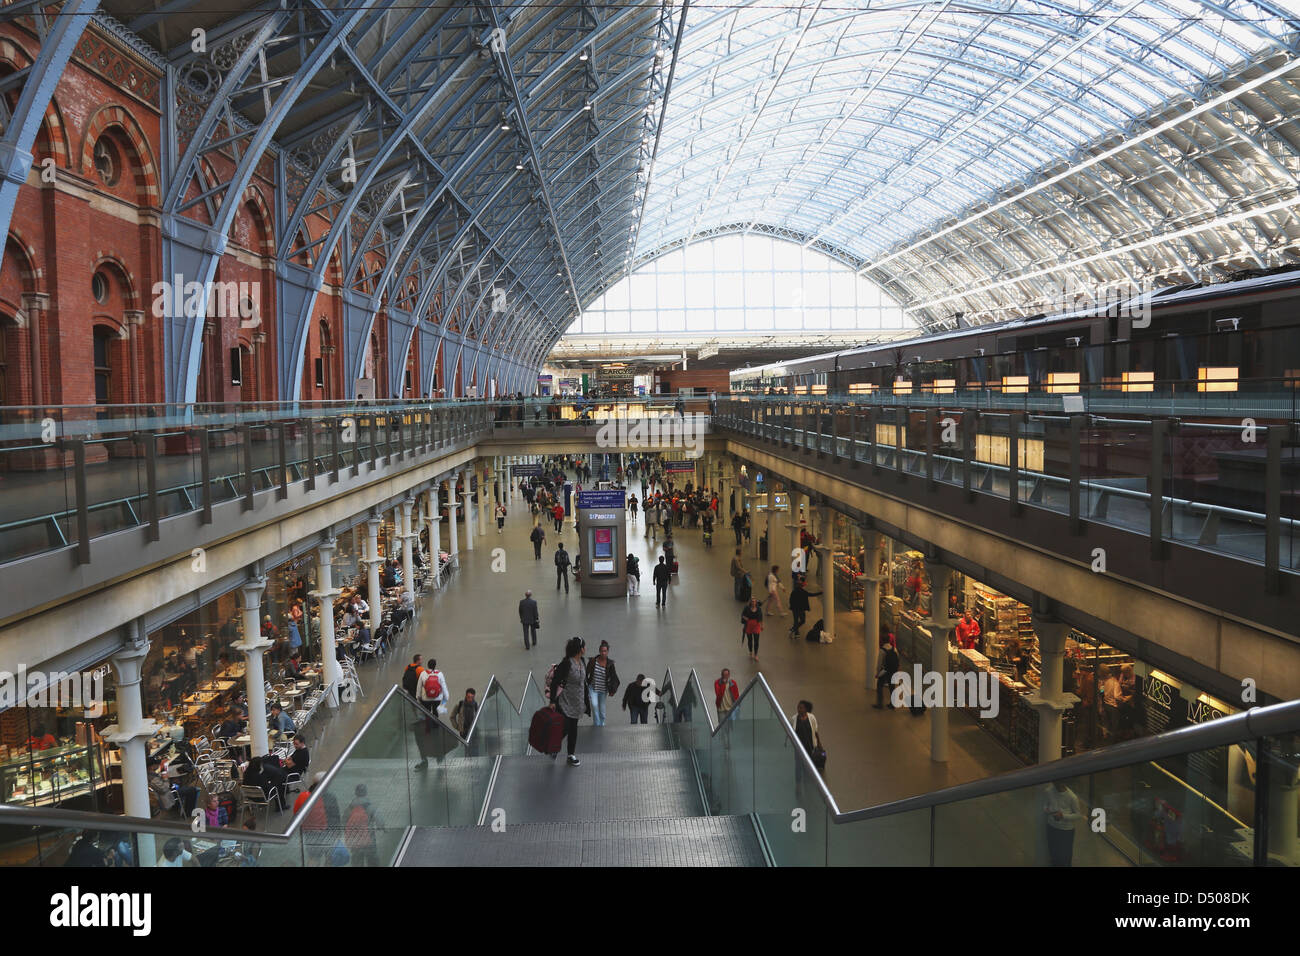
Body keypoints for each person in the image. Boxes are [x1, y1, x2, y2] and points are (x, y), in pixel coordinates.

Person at [548, 637, 588, 767]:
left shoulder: (582, 661)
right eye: (584, 647)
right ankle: (554, 746)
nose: (585, 649)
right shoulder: (567, 663)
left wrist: (586, 701)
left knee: (573, 729)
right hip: (565, 701)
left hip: (577, 702)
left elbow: (583, 682)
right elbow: (555, 681)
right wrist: (553, 700)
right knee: (565, 726)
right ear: (580, 649)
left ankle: (571, 755)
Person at [1043, 780, 1082, 866]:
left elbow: (1078, 815)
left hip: (1066, 831)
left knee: (1065, 856)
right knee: (1053, 853)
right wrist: (1048, 810)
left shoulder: (1072, 797)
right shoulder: (1049, 791)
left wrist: (1063, 816)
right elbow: (1045, 805)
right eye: (1055, 783)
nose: (1057, 786)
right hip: (1052, 827)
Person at [585, 640, 620, 727]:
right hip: (593, 688)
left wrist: (613, 690)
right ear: (599, 651)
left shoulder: (610, 664)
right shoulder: (593, 661)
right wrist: (585, 684)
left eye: (605, 651)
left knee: (602, 709)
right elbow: (585, 673)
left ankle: (602, 724)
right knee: (594, 704)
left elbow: (615, 678)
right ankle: (597, 724)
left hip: (603, 690)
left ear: (607, 652)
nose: (603, 653)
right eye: (602, 651)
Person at [344, 784, 379, 867]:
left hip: (355, 839)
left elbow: (344, 820)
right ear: (366, 793)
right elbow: (379, 819)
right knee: (372, 859)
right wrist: (382, 827)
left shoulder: (350, 807)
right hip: (369, 838)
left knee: (357, 861)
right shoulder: (370, 806)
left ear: (356, 793)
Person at [791, 700, 823, 782]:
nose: (799, 709)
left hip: (809, 745)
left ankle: (808, 778)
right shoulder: (794, 719)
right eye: (798, 707)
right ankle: (798, 780)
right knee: (798, 763)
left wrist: (819, 743)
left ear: (806, 709)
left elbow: (815, 731)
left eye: (801, 708)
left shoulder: (811, 717)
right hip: (799, 746)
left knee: (809, 762)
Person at [874, 640, 900, 709]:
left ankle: (880, 704)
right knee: (892, 687)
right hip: (893, 671)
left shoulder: (882, 650)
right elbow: (897, 659)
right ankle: (892, 704)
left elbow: (879, 663)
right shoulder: (894, 649)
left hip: (885, 671)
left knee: (879, 685)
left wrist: (877, 673)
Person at [741, 597, 763, 662]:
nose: (753, 603)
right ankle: (750, 652)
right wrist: (746, 618)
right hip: (748, 625)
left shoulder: (758, 609)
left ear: (756, 602)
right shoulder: (747, 608)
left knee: (756, 641)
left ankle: (756, 655)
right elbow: (742, 615)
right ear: (750, 602)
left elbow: (761, 617)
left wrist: (762, 625)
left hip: (756, 625)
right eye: (752, 601)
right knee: (750, 640)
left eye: (754, 601)